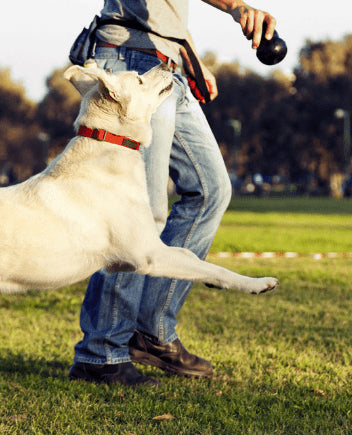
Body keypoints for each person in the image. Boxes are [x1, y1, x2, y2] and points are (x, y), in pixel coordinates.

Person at [68, 0, 277, 386]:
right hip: (130, 65)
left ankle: (151, 331)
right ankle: (101, 352)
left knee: (210, 190)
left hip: (167, 65)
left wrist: (190, 54)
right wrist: (235, 7)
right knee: (141, 216)